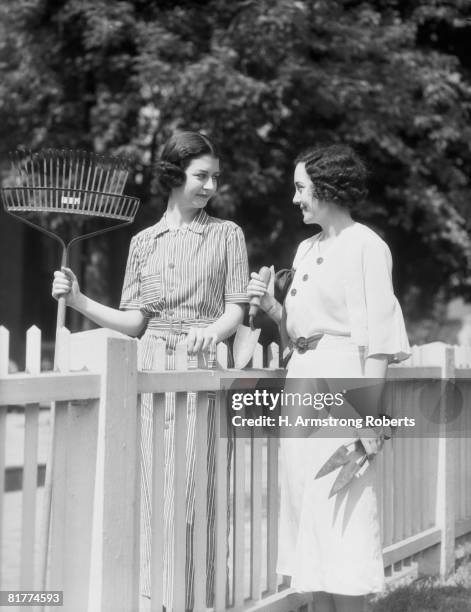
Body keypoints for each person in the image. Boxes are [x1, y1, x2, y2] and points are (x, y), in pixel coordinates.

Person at [52, 131, 249, 610]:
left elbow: (236, 308)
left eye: (214, 178)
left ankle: (197, 597)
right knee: (149, 490)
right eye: (201, 176)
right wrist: (78, 300)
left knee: (193, 492)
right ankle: (152, 597)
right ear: (174, 176)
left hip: (201, 365)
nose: (209, 186)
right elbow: (135, 321)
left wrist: (215, 333)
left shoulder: (227, 234)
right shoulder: (143, 242)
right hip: (150, 367)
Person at [247, 144, 410, 612]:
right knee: (307, 516)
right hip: (302, 387)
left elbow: (378, 340)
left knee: (344, 514)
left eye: (300, 188)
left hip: (345, 391)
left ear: (327, 187)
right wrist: (274, 310)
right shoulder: (305, 247)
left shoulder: (367, 246)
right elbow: (299, 331)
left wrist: (367, 417)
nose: (295, 198)